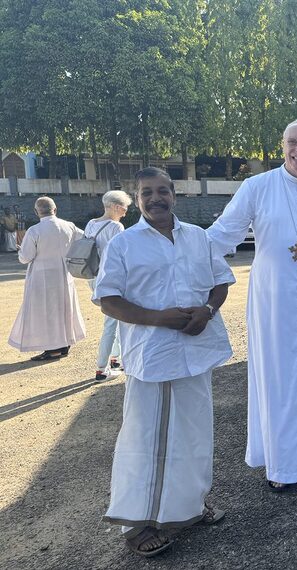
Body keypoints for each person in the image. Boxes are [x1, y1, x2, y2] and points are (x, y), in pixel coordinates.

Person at [95, 167, 233, 557]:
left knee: (194, 435)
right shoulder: (125, 244)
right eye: (146, 193)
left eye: (162, 191)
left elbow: (220, 282)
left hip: (196, 351)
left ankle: (189, 505)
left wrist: (207, 310)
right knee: (146, 439)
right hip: (153, 355)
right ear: (137, 199)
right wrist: (159, 318)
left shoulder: (198, 237)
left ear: (174, 193)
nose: (155, 198)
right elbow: (108, 300)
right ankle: (136, 524)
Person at [207, 119, 297, 490]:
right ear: (282, 146)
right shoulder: (256, 187)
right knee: (278, 378)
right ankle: (282, 466)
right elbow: (222, 234)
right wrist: (179, 250)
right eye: (293, 142)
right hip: (274, 300)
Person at [8, 197, 86, 360]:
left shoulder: (34, 230)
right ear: (55, 209)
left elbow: (26, 257)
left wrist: (21, 251)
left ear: (36, 212)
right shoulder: (69, 226)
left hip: (42, 277)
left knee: (46, 312)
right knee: (64, 309)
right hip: (64, 274)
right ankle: (64, 344)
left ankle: (53, 349)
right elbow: (85, 239)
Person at [84, 190, 131, 380]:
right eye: (124, 208)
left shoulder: (91, 223)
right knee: (111, 321)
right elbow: (123, 254)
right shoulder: (116, 227)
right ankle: (102, 368)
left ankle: (114, 358)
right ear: (115, 207)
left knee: (114, 318)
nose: (125, 212)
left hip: (93, 275)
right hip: (111, 278)